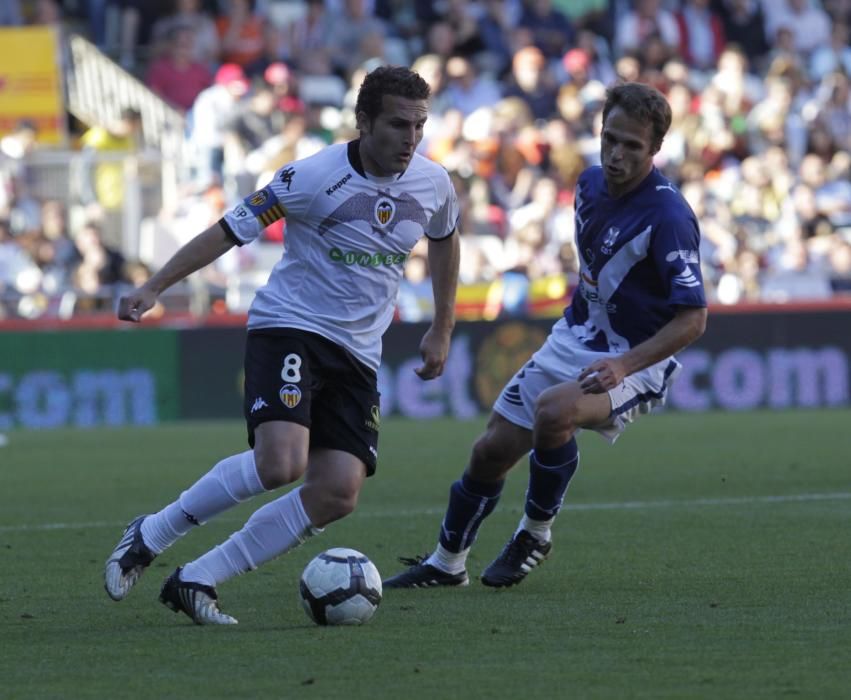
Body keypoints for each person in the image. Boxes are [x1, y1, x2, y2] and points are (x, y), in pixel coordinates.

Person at [104, 65, 461, 624]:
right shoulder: (310, 178)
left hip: (358, 352)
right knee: (281, 462)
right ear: (363, 122)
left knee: (338, 492)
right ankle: (153, 532)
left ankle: (198, 578)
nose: (410, 140)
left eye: (419, 126)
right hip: (290, 325)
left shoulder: (433, 183)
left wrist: (442, 326)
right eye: (397, 125)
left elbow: (444, 240)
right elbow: (229, 229)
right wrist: (154, 286)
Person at [383, 82, 708, 590]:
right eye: (610, 139)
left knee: (555, 413)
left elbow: (693, 319)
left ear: (656, 150)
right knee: (490, 450)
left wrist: (624, 366)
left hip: (634, 358)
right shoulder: (588, 184)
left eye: (633, 146)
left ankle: (535, 534)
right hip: (574, 337)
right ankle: (447, 564)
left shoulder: (668, 216)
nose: (617, 154)